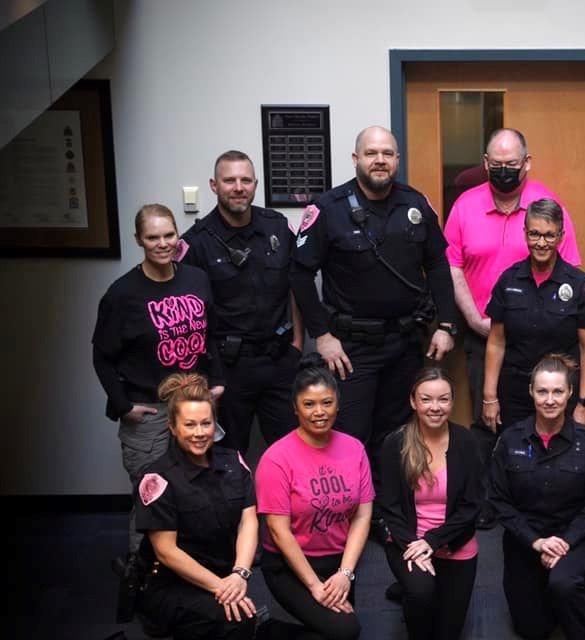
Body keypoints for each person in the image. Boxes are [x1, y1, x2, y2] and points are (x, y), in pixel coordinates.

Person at [289, 126, 457, 538]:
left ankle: (386, 515)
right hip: (351, 349)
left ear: (397, 160)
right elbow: (298, 271)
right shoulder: (328, 209)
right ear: (356, 159)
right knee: (349, 436)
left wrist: (447, 324)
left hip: (405, 343)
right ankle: (343, 519)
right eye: (371, 153)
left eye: (387, 153)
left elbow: (437, 264)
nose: (379, 160)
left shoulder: (415, 205)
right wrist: (322, 335)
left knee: (397, 435)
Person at [93, 203, 224, 562]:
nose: (163, 243)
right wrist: (122, 405)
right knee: (152, 491)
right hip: (149, 411)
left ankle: (191, 562)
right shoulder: (122, 294)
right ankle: (142, 571)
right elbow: (101, 355)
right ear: (139, 240)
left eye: (169, 235)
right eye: (153, 237)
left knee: (198, 485)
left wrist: (217, 382)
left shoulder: (196, 278)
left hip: (194, 405)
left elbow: (212, 335)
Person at [444, 128, 582, 423]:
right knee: (489, 422)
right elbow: (452, 266)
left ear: (527, 162)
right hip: (483, 336)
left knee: (549, 426)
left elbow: (570, 271)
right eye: (496, 165)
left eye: (511, 164)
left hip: (542, 343)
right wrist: (473, 318)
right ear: (485, 162)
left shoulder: (548, 205)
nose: (503, 171)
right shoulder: (464, 206)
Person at [177, 150, 302, 454]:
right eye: (229, 180)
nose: (238, 187)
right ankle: (237, 505)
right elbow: (191, 316)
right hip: (228, 367)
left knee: (291, 451)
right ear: (213, 185)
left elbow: (297, 284)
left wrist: (298, 342)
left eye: (245, 180)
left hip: (279, 358)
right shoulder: (196, 242)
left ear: (255, 184)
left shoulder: (276, 227)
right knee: (228, 454)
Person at [489, 354, 585, 640]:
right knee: (533, 629)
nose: (550, 400)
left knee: (564, 585)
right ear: (531, 391)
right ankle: (569, 576)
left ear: (570, 393)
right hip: (526, 538)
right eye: (542, 391)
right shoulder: (510, 440)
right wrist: (537, 541)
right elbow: (498, 500)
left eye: (558, 391)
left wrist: (565, 543)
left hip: (574, 536)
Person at [255, 354, 374, 640]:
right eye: (309, 404)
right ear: (295, 408)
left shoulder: (354, 448)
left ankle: (273, 628)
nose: (319, 412)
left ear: (337, 404)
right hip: (290, 565)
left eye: (326, 403)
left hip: (337, 560)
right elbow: (278, 531)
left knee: (332, 631)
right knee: (346, 631)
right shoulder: (276, 458)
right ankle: (267, 632)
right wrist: (314, 586)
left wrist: (346, 572)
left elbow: (362, 515)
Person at [133, 373, 257, 640]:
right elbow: (166, 552)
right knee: (241, 620)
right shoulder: (157, 478)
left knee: (242, 618)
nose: (199, 433)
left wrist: (240, 574)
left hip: (226, 575)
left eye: (206, 423)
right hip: (174, 585)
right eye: (189, 425)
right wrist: (221, 587)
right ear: (173, 427)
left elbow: (249, 521)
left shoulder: (234, 462)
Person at [482, 198, 585, 432]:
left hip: (560, 395)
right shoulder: (508, 281)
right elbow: (496, 342)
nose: (541, 243)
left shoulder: (579, 284)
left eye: (549, 235)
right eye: (534, 234)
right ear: (525, 233)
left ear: (561, 236)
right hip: (515, 393)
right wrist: (489, 397)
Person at [379, 368, 483, 640]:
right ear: (413, 402)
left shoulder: (467, 442)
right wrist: (416, 545)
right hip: (408, 541)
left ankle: (411, 589)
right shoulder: (395, 444)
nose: (435, 407)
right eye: (426, 399)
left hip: (455, 542)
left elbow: (472, 506)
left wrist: (433, 541)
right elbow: (389, 507)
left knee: (446, 633)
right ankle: (410, 590)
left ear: (452, 402)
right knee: (421, 596)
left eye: (443, 399)